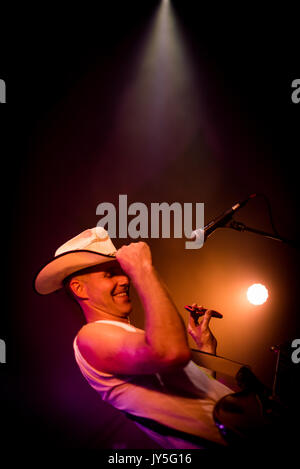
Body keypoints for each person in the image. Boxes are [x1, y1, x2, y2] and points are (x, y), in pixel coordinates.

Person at [34, 227, 232, 449]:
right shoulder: (91, 336)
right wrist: (143, 268)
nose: (125, 279)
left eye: (122, 270)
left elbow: (200, 397)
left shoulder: (129, 337)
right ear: (79, 288)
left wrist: (205, 347)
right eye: (110, 273)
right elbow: (170, 353)